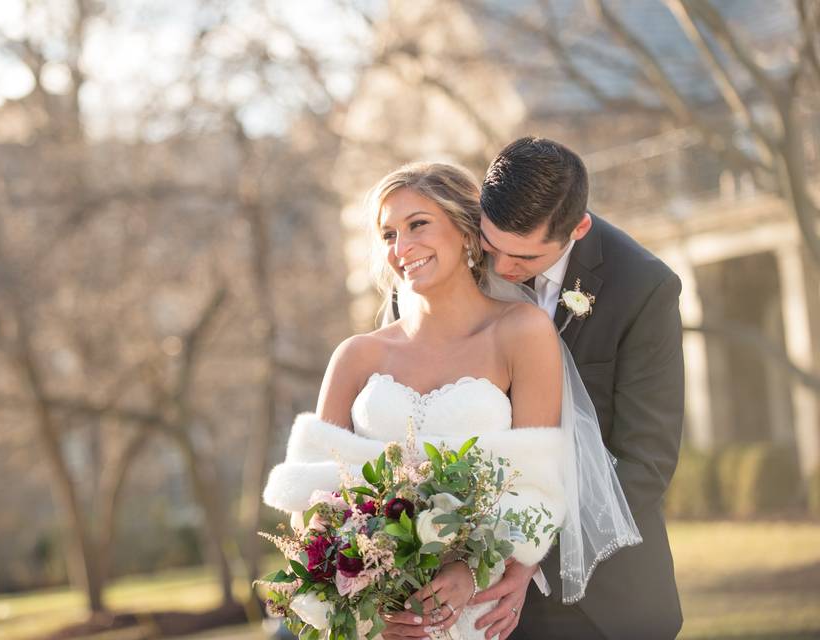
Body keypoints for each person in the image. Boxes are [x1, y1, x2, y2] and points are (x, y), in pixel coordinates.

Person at [262, 160, 640, 640]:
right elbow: (308, 506)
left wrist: (474, 571)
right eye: (388, 235)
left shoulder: (521, 333)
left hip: (474, 611)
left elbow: (539, 485)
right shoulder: (356, 356)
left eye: (418, 225)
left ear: (466, 231)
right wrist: (372, 600)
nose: (402, 248)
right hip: (375, 621)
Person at [470, 137, 685, 640]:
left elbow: (647, 462)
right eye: (491, 245)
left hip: (601, 599)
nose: (500, 269)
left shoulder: (644, 287)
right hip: (479, 597)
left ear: (578, 227)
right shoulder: (467, 260)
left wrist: (530, 554)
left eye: (524, 255)